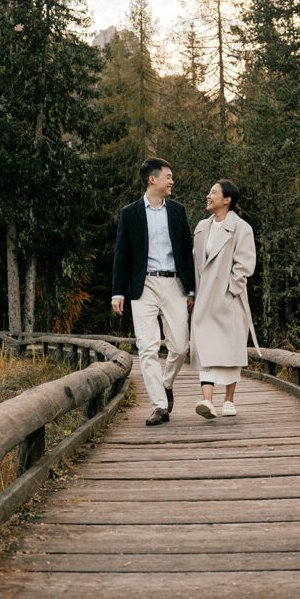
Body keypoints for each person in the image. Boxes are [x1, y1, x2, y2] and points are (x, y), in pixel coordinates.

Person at [112, 158, 195, 425]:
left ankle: (166, 383)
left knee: (180, 347)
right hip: (143, 286)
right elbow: (121, 254)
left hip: (174, 285)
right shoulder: (130, 213)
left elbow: (186, 251)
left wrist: (191, 288)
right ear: (153, 179)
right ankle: (160, 406)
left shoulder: (178, 211)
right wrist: (117, 293)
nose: (172, 181)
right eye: (168, 176)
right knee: (146, 348)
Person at [191, 179, 259, 419]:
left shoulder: (241, 228)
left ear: (227, 199)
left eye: (213, 192)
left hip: (229, 299)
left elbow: (245, 264)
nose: (208, 196)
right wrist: (193, 294)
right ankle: (207, 402)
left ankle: (228, 400)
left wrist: (231, 291)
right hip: (204, 300)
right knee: (206, 348)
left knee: (230, 350)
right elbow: (195, 264)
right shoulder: (201, 228)